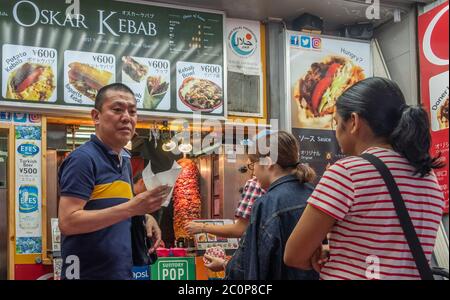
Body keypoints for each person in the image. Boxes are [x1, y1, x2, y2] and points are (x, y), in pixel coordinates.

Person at [284, 77, 445, 280]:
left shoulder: (347, 173)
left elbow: (294, 255)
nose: (336, 132)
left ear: (354, 121)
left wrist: (325, 252)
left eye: (336, 122)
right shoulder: (428, 178)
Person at [58, 83, 171, 280]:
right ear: (96, 116)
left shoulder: (124, 160)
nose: (127, 117)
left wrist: (145, 218)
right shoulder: (83, 159)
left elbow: (115, 209)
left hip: (121, 272)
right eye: (117, 109)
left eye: (133, 111)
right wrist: (132, 208)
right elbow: (68, 222)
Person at [212, 131, 319, 280]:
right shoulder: (314, 193)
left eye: (252, 164)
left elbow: (251, 265)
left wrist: (227, 267)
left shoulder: (267, 204)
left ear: (267, 162)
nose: (253, 171)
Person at [185, 175, 266, 239]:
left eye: (252, 164)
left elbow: (240, 229)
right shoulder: (276, 187)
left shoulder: (255, 184)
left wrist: (202, 227)